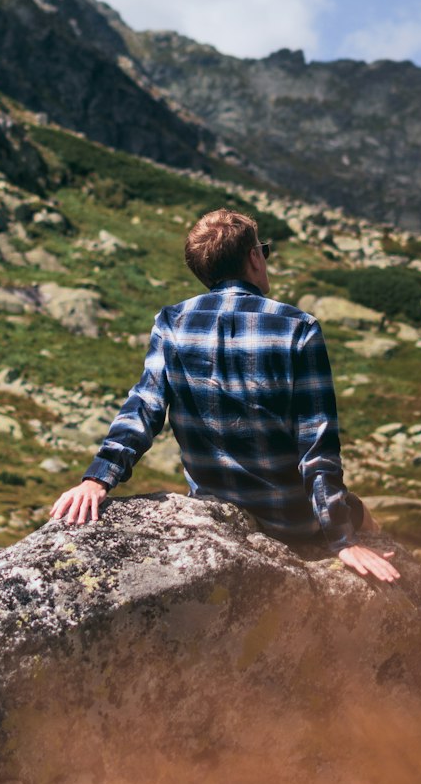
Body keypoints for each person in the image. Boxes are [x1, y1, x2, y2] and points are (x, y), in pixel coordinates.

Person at [50, 208, 399, 582]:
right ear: (253, 257)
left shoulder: (171, 322)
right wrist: (343, 540)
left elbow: (144, 407)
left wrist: (97, 479)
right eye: (262, 250)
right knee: (365, 517)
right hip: (292, 521)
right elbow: (317, 446)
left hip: (216, 512)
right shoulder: (298, 328)